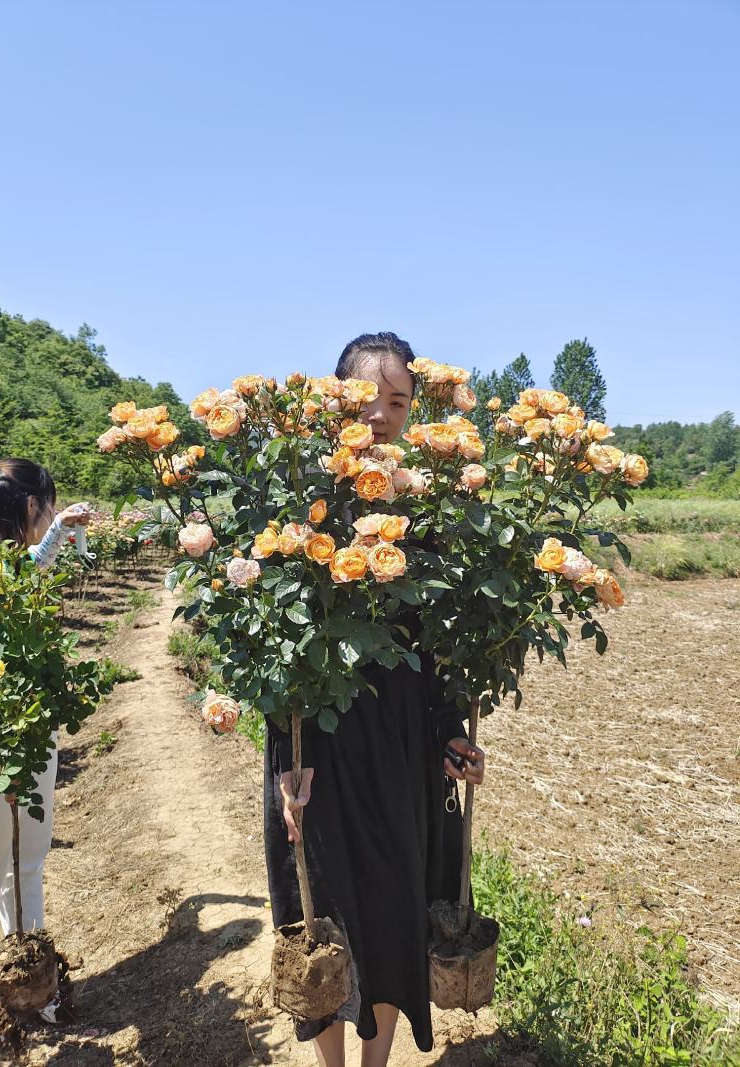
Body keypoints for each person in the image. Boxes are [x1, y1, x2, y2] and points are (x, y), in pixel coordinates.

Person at [263, 333, 486, 1067]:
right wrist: (284, 766)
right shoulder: (300, 503)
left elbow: (441, 652)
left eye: (398, 402)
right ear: (337, 403)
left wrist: (450, 734)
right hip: (314, 750)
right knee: (320, 917)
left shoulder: (432, 518)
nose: (382, 416)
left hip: (398, 751)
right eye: (368, 399)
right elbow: (274, 654)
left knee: (392, 912)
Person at [0, 459, 91, 1043]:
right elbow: (19, 576)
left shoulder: (9, 572)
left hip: (25, 741)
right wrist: (56, 537)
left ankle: (29, 976)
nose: (50, 517)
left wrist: (63, 538)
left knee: (25, 864)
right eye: (48, 507)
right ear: (32, 509)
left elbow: (35, 573)